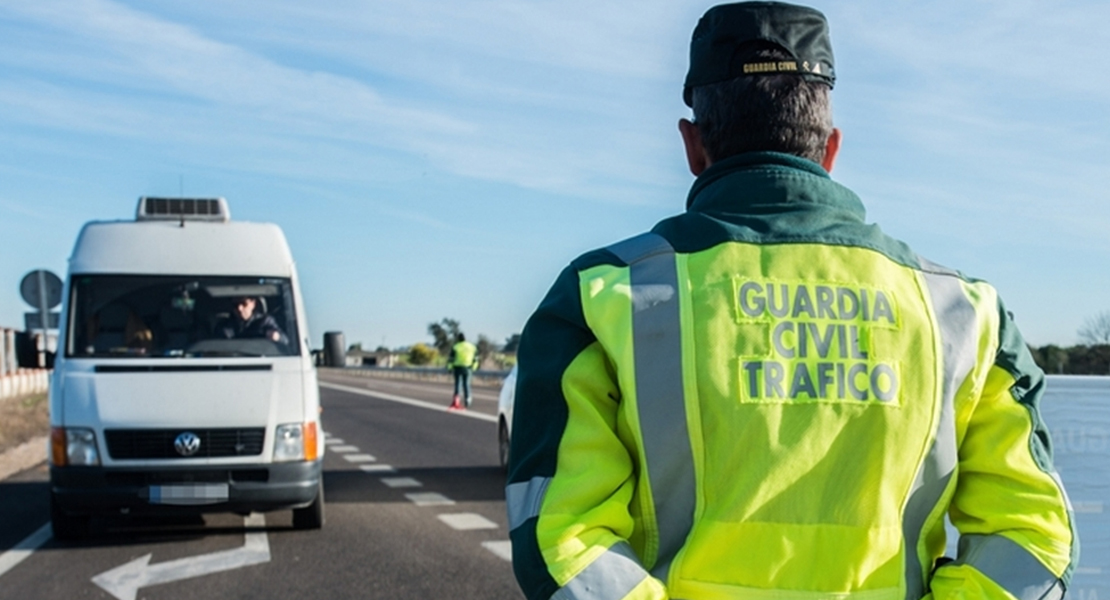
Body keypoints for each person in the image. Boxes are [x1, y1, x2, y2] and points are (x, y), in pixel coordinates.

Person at [505, 3, 1078, 600]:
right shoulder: (963, 311)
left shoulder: (603, 294)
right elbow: (1032, 540)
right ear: (829, 149)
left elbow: (562, 537)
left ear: (693, 145)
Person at [216, 296, 288, 345]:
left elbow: (285, 341)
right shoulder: (223, 326)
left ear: (253, 304)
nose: (240, 308)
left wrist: (276, 336)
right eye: (236, 305)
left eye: (244, 304)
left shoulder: (265, 322)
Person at [447, 333, 479, 409]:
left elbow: (451, 359)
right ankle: (468, 400)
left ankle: (456, 401)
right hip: (468, 367)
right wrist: (474, 367)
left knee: (458, 384)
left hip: (458, 367)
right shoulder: (472, 347)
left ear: (458, 339)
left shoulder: (456, 347)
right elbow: (476, 358)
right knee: (466, 384)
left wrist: (450, 368)